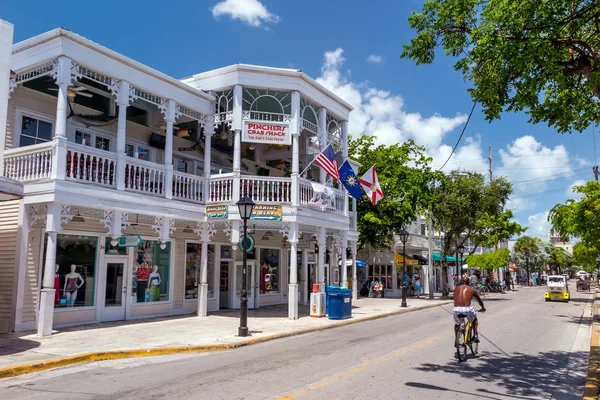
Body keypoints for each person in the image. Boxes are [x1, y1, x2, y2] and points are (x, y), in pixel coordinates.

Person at [453, 275, 486, 342]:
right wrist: (482, 307)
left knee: (457, 324)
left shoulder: (456, 289)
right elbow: (479, 300)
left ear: (461, 282)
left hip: (456, 309)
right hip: (467, 309)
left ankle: (456, 339)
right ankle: (475, 335)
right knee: (474, 320)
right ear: (469, 282)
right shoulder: (472, 290)